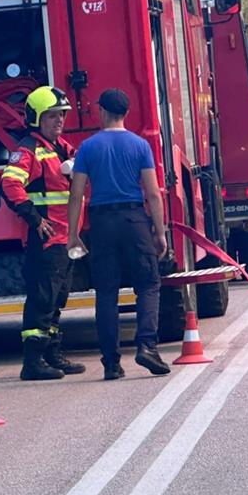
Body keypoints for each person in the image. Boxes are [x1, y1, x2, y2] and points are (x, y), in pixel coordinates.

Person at [66, 88, 171, 380]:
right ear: (126, 113)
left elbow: (77, 195)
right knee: (148, 283)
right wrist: (159, 232)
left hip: (101, 223)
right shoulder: (140, 146)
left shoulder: (88, 147)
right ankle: (147, 346)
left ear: (101, 111)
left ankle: (111, 363)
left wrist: (72, 233)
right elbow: (152, 193)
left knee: (107, 292)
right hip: (134, 219)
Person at [1, 86, 86, 380]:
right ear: (36, 118)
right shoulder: (27, 150)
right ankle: (33, 361)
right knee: (42, 299)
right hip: (46, 238)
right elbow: (10, 185)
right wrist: (35, 219)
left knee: (56, 299)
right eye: (52, 116)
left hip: (66, 238)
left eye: (61, 115)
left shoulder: (61, 147)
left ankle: (52, 353)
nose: (59, 121)